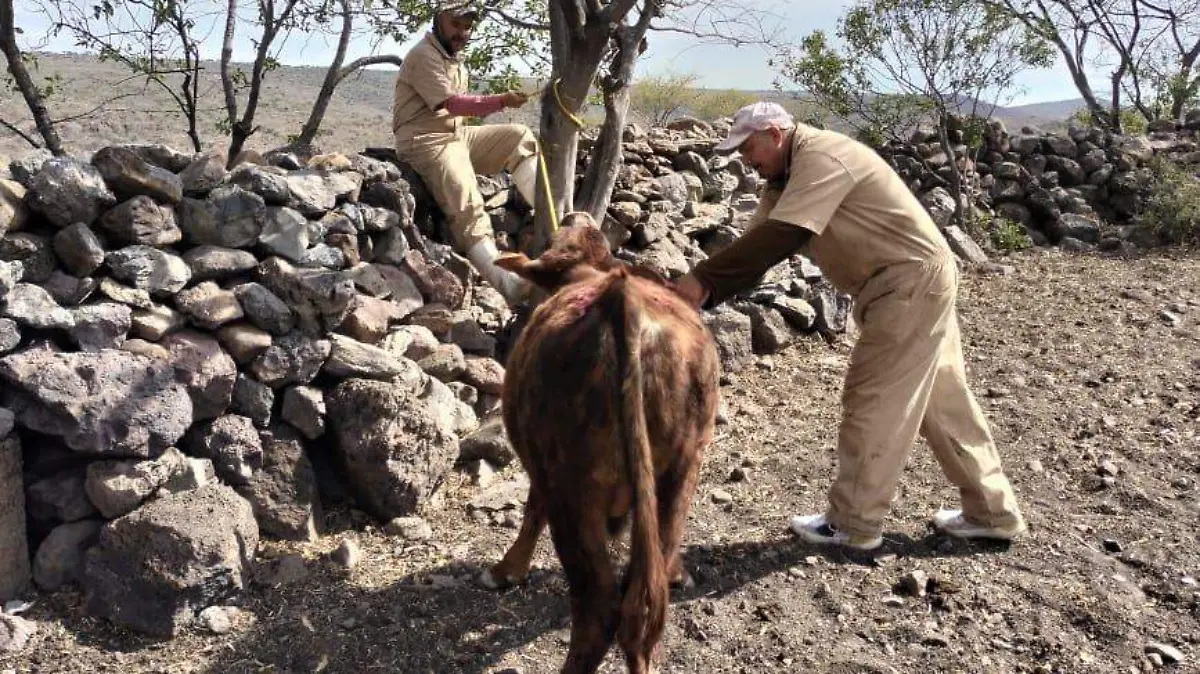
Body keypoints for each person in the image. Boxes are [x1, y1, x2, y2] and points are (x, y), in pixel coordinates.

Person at [673, 101, 1027, 551]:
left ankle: (854, 523)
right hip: (912, 282)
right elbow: (755, 247)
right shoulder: (783, 179)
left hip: (906, 284)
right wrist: (702, 292)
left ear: (776, 134)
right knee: (943, 400)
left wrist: (700, 283)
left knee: (873, 396)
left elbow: (781, 237)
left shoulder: (821, 156)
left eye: (750, 147)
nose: (746, 159)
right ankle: (992, 512)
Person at [392, 0, 539, 305]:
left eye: (467, 26)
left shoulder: (453, 58)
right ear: (439, 20)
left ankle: (553, 221)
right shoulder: (423, 56)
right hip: (425, 141)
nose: (463, 32)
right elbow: (453, 104)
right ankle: (507, 284)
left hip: (456, 135)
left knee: (520, 137)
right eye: (456, 24)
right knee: (466, 199)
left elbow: (459, 114)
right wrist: (501, 100)